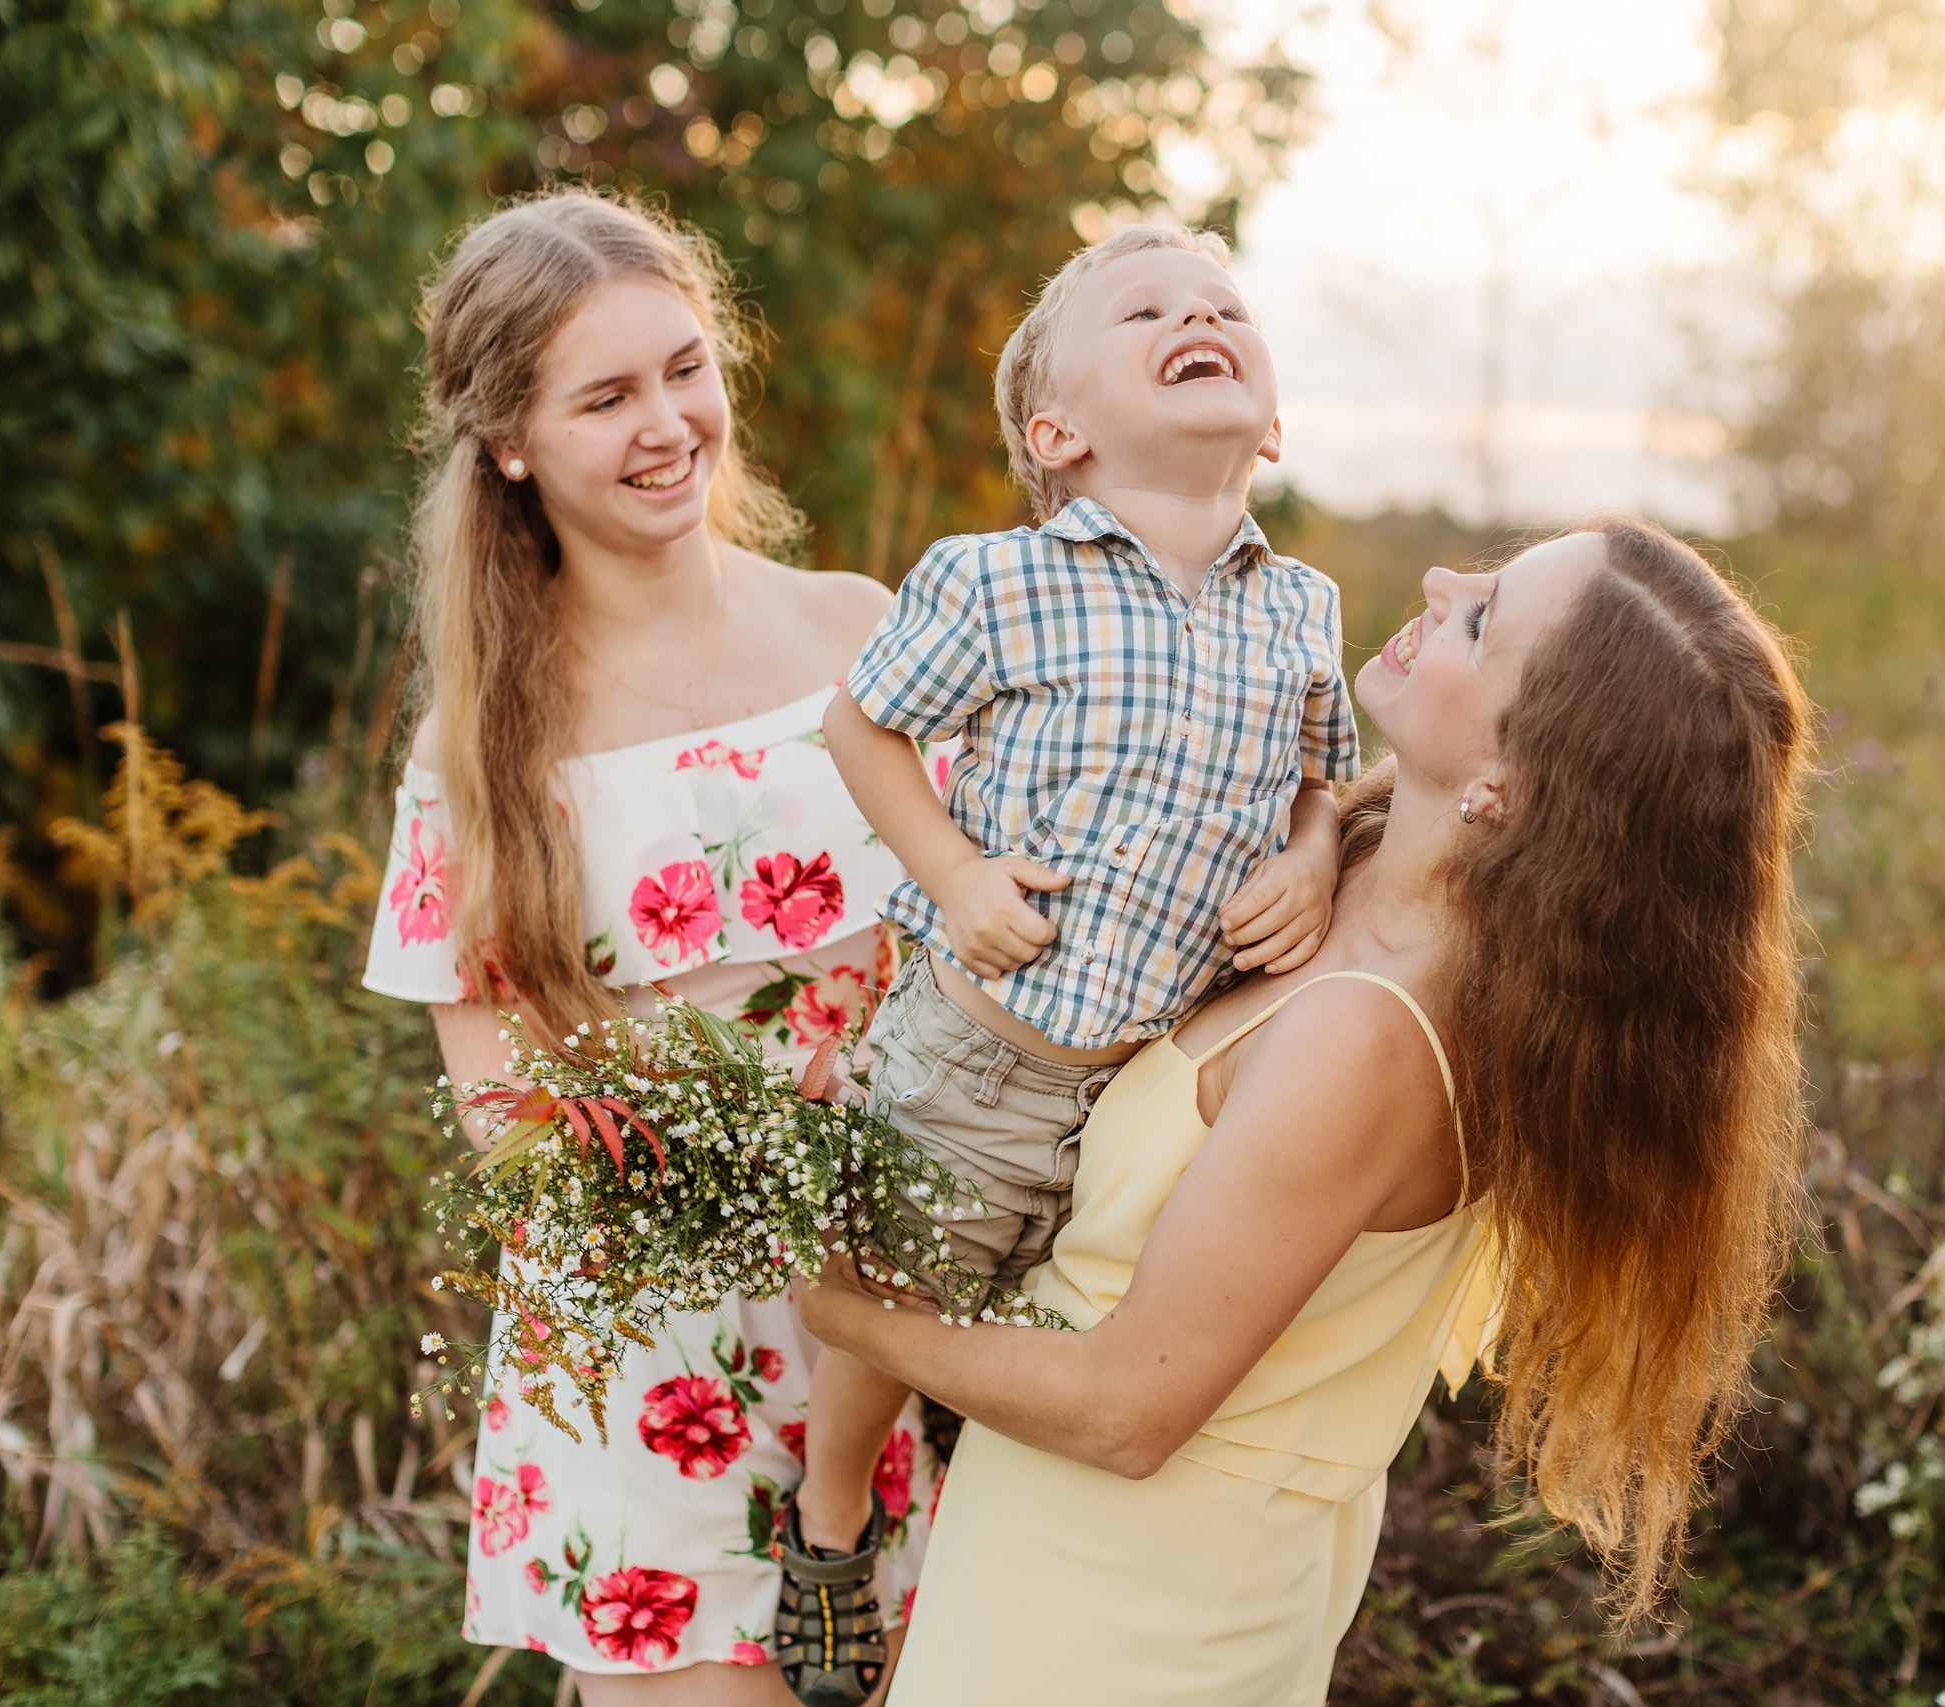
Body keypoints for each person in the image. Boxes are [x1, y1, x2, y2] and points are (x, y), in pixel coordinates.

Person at [800, 518, 1815, 1706]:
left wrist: (843, 1313)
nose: (1439, 579)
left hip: (1125, 1613)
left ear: (1505, 784)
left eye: (1481, 618)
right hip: (1058, 1543)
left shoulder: (1368, 1036)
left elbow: (1127, 1409)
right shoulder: (1355, 874)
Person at [362, 189, 936, 1705]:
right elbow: (509, 1118)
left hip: (910, 1330)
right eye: (605, 396)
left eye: (685, 367)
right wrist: (738, 1164)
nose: (669, 421)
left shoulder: (863, 633)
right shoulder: (486, 742)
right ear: (508, 442)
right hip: (655, 1369)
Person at [788, 224, 1357, 1689]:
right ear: (1061, 433)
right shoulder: (997, 580)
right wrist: (956, 872)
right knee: (892, 1290)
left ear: (1272, 420)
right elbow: (863, 724)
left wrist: (1304, 858)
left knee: (1054, 1338)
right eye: (1151, 311)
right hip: (982, 1044)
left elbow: (1324, 777)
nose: (1202, 315)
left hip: (1154, 1079)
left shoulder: (1302, 608)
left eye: (1226, 307)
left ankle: (988, 1572)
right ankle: (833, 1511)